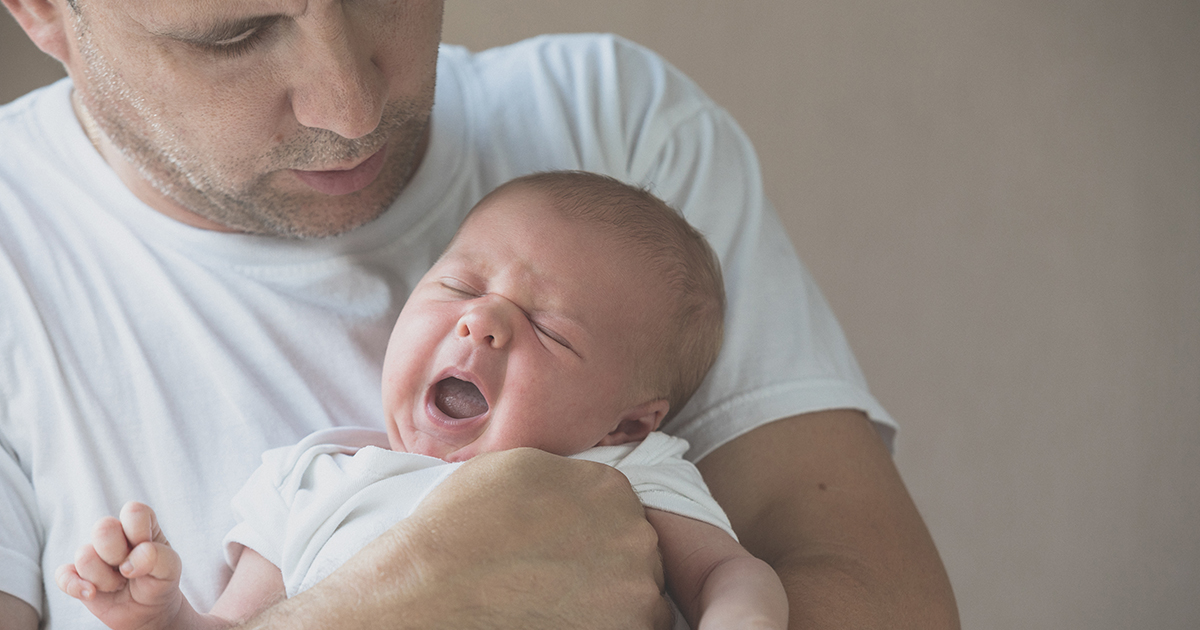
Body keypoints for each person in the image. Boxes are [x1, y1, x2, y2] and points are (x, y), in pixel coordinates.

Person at [0, 1, 960, 629]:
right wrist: (396, 605)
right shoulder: (311, 482)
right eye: (234, 33)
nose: (351, 102)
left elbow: (878, 600)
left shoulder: (616, 134)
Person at [55, 171, 789, 630]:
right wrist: (163, 613)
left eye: (549, 330)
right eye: (461, 288)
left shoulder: (626, 469)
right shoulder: (312, 481)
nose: (483, 321)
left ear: (625, 420)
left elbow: (731, 573)